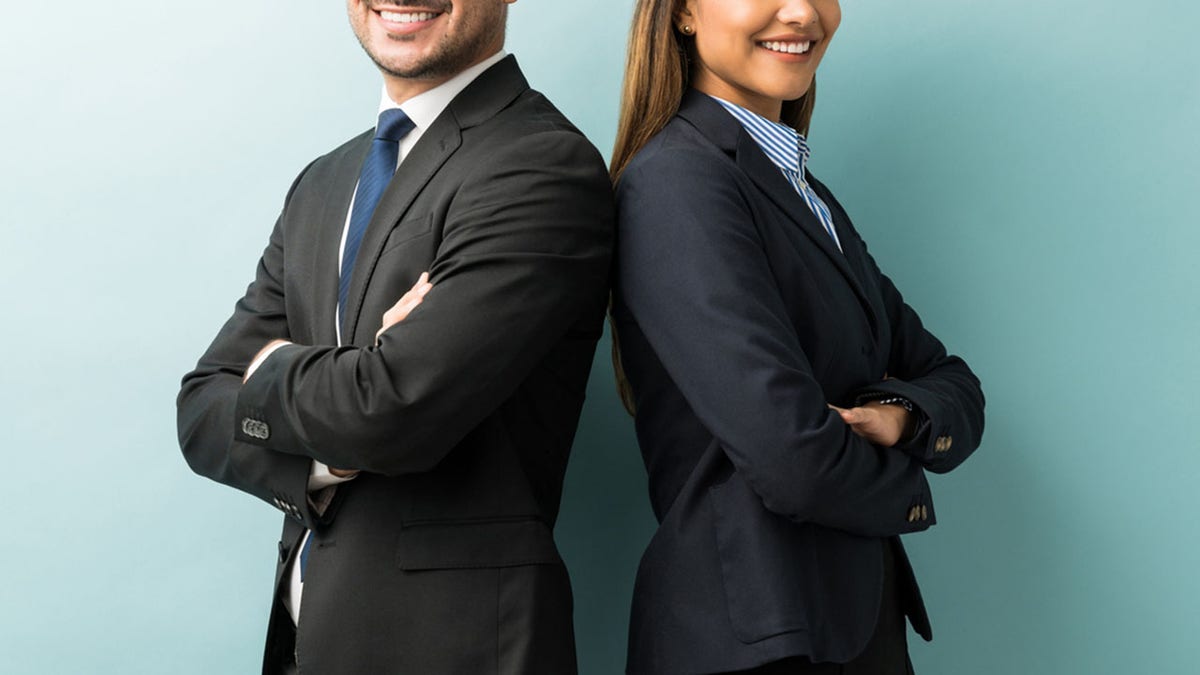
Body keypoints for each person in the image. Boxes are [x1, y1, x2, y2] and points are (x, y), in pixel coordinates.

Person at [176, 1, 613, 673]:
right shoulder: (322, 183)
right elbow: (202, 409)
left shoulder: (542, 165)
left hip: (450, 652)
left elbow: (390, 411)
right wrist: (340, 434)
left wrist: (272, 372)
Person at [609, 1, 986, 673]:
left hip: (830, 627)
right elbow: (793, 459)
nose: (801, 11)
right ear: (685, 13)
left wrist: (900, 418)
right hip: (754, 637)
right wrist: (910, 485)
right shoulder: (677, 180)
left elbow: (951, 380)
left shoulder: (802, 190)